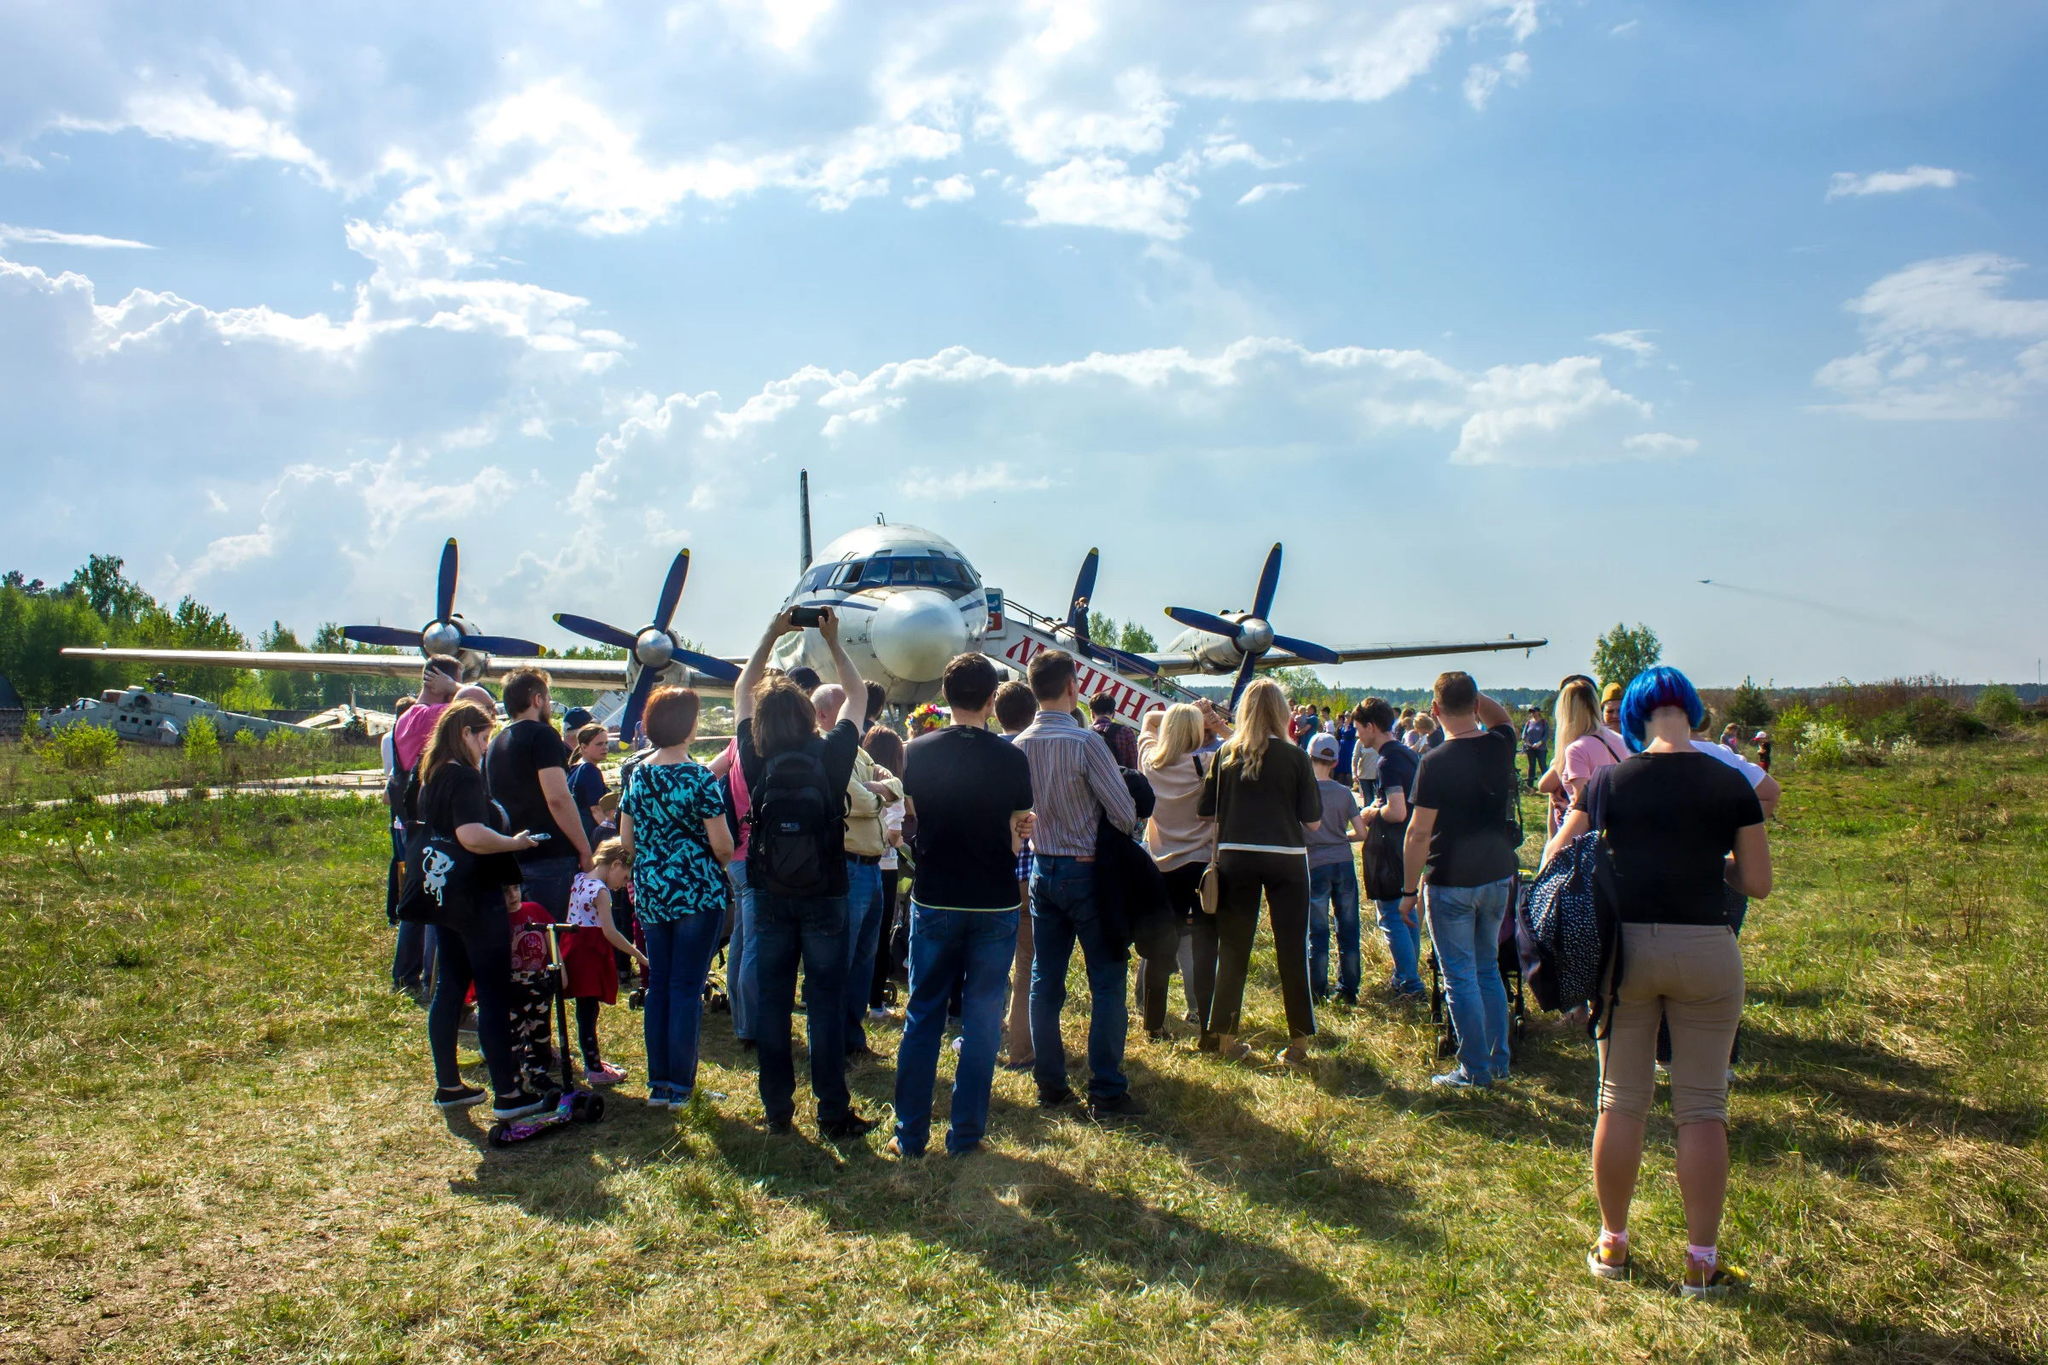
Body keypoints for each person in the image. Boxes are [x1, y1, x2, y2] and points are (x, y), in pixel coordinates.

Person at [1544, 667, 1770, 1298]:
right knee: (1701, 1107)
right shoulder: (1730, 782)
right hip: (1706, 950)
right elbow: (1757, 882)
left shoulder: (1612, 780)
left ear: (1636, 715)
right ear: (1693, 712)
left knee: (1618, 1099)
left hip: (1627, 954)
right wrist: (1709, 862)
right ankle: (1701, 1260)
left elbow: (1561, 857)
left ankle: (1612, 1244)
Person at [734, 608, 877, 1139]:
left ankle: (777, 1111)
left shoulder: (754, 756)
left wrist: (771, 633)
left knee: (772, 1003)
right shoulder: (833, 753)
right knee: (825, 1000)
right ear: (809, 716)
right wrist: (835, 643)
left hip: (768, 889)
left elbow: (744, 689)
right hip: (826, 891)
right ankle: (833, 1111)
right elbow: (857, 697)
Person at [888, 654, 1035, 1158]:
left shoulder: (917, 751)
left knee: (923, 1013)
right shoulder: (1013, 758)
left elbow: (907, 823)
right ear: (992, 700)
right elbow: (1019, 839)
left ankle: (910, 1133)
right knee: (980, 1020)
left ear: (945, 697)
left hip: (936, 894)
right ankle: (966, 1135)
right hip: (993, 899)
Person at [1013, 649, 1145, 1119]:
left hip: (1042, 868)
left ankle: (1050, 1082)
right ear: (1072, 687)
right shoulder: (1086, 743)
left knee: (1045, 980)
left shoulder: (1019, 744)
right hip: (1086, 869)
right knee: (1107, 978)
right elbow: (1125, 812)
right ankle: (1107, 1088)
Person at [413, 701, 551, 1120]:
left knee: (449, 989)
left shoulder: (430, 776)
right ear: (468, 734)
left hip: (444, 898)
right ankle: (508, 1094)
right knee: (494, 993)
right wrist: (515, 843)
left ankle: (449, 1084)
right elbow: (471, 835)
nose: (486, 746)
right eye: (484, 737)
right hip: (475, 897)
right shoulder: (463, 776)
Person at [1401, 672, 1519, 1088]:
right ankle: (1497, 1060)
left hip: (1451, 878)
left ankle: (1474, 1069)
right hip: (1497, 873)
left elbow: (1417, 833)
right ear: (1473, 705)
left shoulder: (1434, 762)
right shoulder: (1500, 746)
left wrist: (1408, 889)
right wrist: (1473, 695)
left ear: (1434, 712)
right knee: (1488, 969)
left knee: (1461, 976)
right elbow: (1501, 717)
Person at [618, 686, 732, 1108]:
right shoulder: (699, 778)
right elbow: (722, 847)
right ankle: (681, 1086)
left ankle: (659, 1083)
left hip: (652, 891)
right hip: (697, 892)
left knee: (659, 985)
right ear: (688, 725)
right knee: (687, 986)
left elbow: (625, 843)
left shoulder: (639, 776)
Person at [1199, 678, 1322, 1067]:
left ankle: (1225, 1037)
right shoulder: (1295, 756)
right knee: (1291, 948)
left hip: (1237, 855)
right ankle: (1299, 1042)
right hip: (1286, 855)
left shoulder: (1225, 755)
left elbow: (1206, 811)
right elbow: (1313, 821)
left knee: (1233, 948)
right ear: (1282, 712)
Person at [811, 681, 901, 1060]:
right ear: (823, 715)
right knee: (840, 958)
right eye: (846, 709)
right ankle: (830, 1043)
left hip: (870, 866)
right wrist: (879, 792)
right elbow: (852, 801)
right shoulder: (824, 750)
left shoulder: (859, 752)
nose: (856, 718)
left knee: (864, 957)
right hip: (846, 866)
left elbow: (895, 785)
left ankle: (852, 1036)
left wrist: (878, 789)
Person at [1136, 702, 1217, 1038]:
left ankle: (1154, 1024)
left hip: (1162, 865)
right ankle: (1206, 1021)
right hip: (1200, 866)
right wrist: (1209, 719)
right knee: (1203, 946)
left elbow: (1147, 721)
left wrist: (1170, 714)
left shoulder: (1151, 762)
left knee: (1159, 950)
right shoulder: (1209, 764)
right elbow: (1242, 741)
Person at [485, 669, 591, 920]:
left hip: (511, 853)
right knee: (552, 940)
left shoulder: (495, 742)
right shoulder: (543, 735)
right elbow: (557, 797)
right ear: (537, 699)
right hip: (549, 854)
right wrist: (585, 849)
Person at [389, 660, 461, 998]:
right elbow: (472, 712)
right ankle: (431, 976)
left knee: (415, 899)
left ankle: (405, 973)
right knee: (434, 899)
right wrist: (455, 692)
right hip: (430, 819)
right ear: (436, 681)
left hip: (410, 820)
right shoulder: (430, 716)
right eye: (450, 680)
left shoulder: (405, 717)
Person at [563, 839, 650, 1087]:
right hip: (589, 954)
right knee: (589, 1011)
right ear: (615, 864)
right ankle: (593, 1066)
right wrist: (638, 954)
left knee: (585, 1010)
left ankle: (593, 1061)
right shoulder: (600, 891)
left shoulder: (580, 879)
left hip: (574, 950)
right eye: (625, 877)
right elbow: (610, 932)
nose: (624, 884)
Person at [1353, 698, 1423, 998]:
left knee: (1392, 915)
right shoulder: (1408, 754)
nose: (1357, 735)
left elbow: (1396, 811)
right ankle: (1406, 975)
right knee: (1408, 913)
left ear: (1371, 726)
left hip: (1391, 847)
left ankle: (1409, 982)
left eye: (1359, 728)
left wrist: (1370, 813)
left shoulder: (1386, 761)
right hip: (1411, 845)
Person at [991, 679, 1041, 1068]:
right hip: (1026, 871)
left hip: (987, 874)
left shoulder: (988, 753)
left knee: (987, 962)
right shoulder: (1030, 752)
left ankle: (987, 1034)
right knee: (1025, 962)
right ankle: (1021, 1046)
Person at [1304, 732, 1366, 1006]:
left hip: (1314, 863)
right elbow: (1361, 832)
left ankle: (1317, 990)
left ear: (1309, 757)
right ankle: (1349, 988)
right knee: (1349, 927)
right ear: (1334, 761)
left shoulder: (1304, 793)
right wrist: (1342, 837)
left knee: (1318, 931)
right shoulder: (1343, 793)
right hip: (1343, 862)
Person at [1539, 676, 1627, 838]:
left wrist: (1555, 848)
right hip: (1619, 832)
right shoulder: (1621, 741)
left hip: (1584, 840)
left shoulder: (1576, 749)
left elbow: (1584, 809)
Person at [862, 726, 908, 1021]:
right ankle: (875, 1002)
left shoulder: (858, 778)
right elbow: (894, 834)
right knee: (879, 936)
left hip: (856, 863)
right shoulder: (893, 787)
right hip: (885, 866)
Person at [565, 723, 611, 847]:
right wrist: (611, 834)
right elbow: (596, 809)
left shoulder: (574, 767)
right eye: (599, 744)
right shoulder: (590, 770)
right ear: (584, 747)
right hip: (590, 836)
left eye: (606, 743)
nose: (605, 747)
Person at [1088, 691, 1140, 769]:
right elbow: (1135, 766)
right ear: (1113, 713)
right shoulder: (1126, 732)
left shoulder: (1085, 732)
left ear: (1092, 713)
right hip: (1121, 780)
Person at [1521, 706, 1550, 791]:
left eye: (1534, 711)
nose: (1532, 713)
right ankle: (1530, 786)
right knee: (1531, 766)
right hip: (1530, 748)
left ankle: (1547, 785)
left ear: (1538, 712)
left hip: (1541, 748)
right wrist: (1529, 743)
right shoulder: (1529, 723)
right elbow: (1524, 735)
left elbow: (1546, 735)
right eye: (1531, 712)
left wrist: (1539, 743)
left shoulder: (1544, 722)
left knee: (1543, 765)